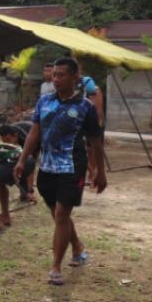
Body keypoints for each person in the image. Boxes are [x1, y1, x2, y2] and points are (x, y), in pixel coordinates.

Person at [14, 56, 106, 286]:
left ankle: (55, 266)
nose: (56, 79)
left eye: (61, 75)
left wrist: (100, 172)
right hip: (47, 167)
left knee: (62, 215)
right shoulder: (44, 102)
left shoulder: (85, 107)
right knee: (58, 216)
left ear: (75, 77)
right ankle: (77, 247)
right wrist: (22, 159)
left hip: (72, 167)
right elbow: (34, 132)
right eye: (54, 75)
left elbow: (95, 141)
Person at [0, 123, 37, 202]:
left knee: (29, 163)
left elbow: (30, 167)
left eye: (8, 140)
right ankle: (24, 193)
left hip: (37, 140)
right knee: (19, 163)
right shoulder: (10, 134)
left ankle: (29, 192)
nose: (8, 144)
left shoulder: (24, 138)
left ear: (15, 135)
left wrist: (30, 191)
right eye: (4, 141)